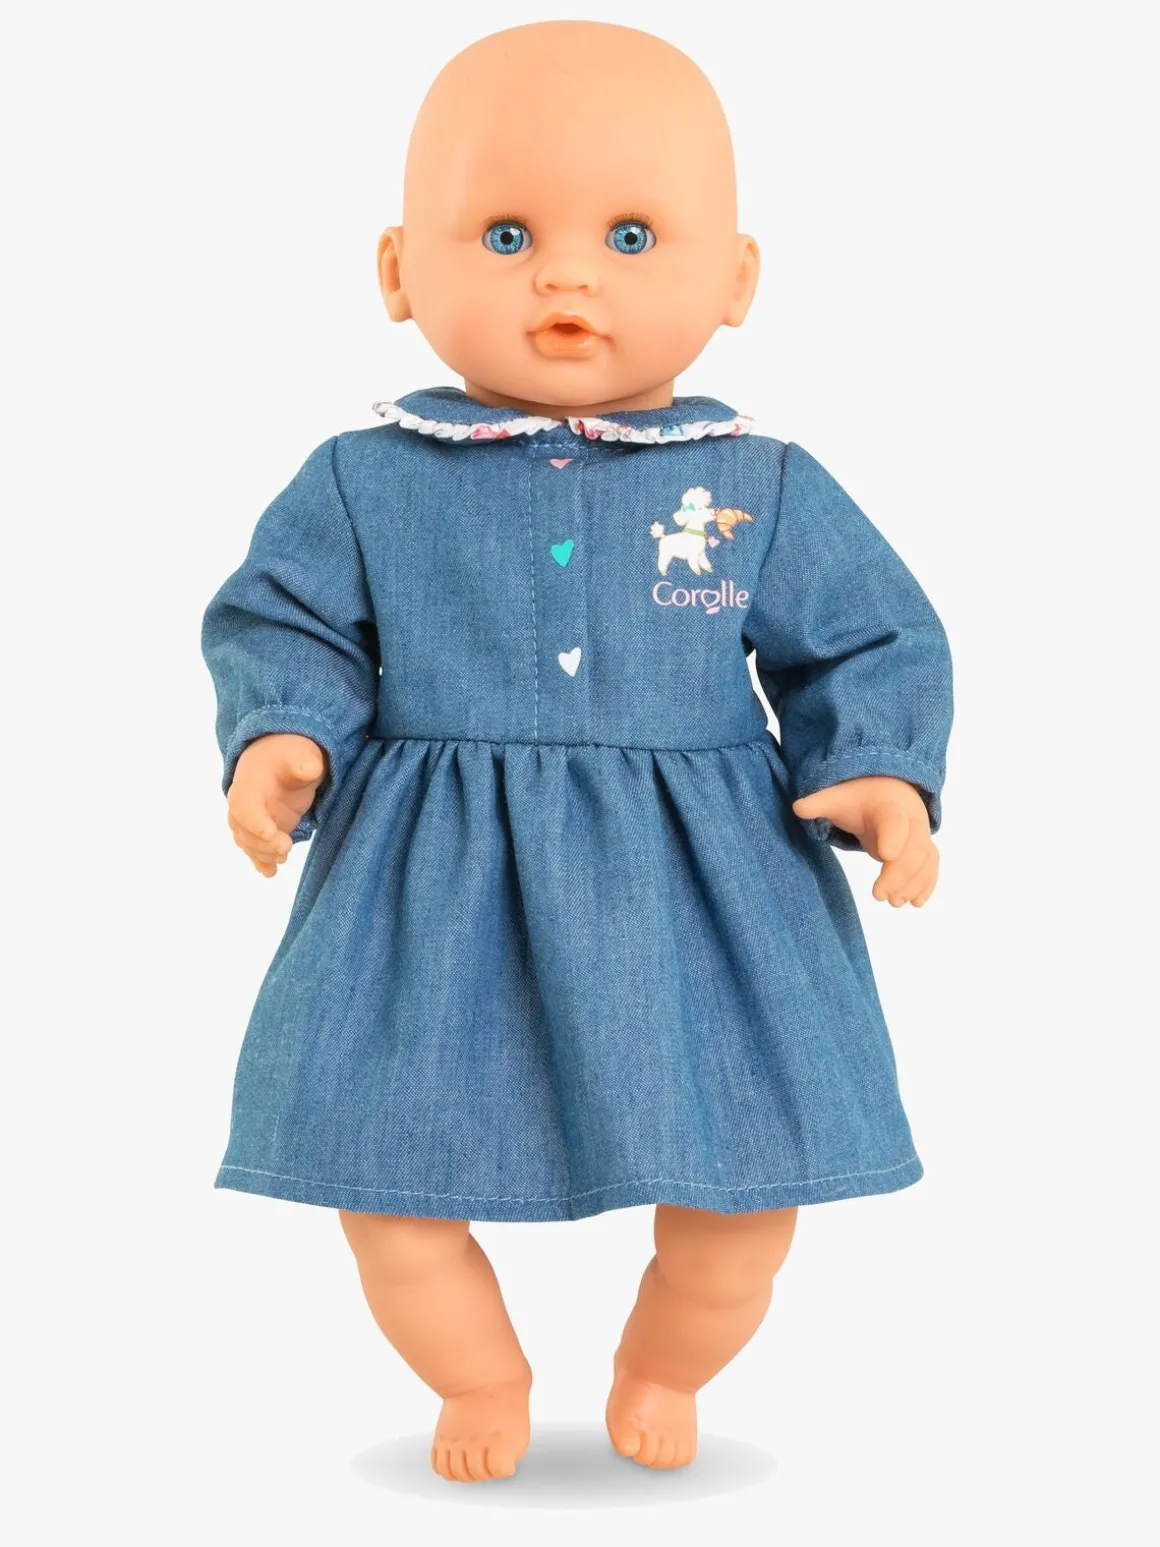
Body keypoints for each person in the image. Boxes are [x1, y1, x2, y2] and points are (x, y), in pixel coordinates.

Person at [202, 20, 953, 1484]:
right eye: (505, 234)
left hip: (707, 892)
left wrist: (881, 769)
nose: (566, 278)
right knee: (386, 1182)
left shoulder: (760, 484)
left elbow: (866, 636)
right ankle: (477, 1374)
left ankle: (667, 1361)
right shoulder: (361, 480)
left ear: (736, 278)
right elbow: (282, 617)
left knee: (748, 1195)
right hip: (432, 888)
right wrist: (283, 730)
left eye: (630, 235)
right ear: (397, 269)